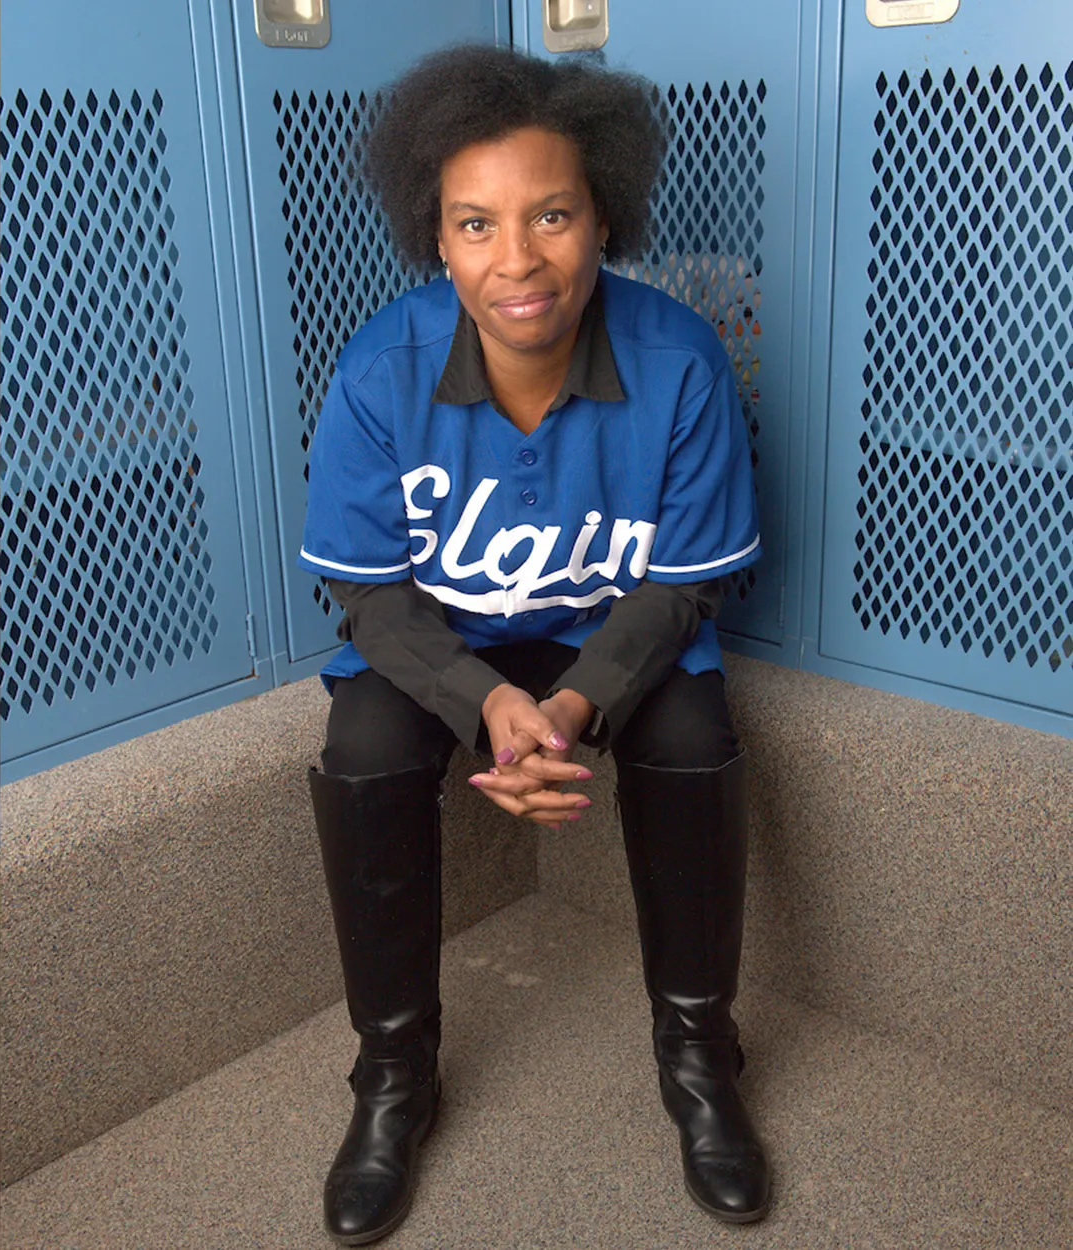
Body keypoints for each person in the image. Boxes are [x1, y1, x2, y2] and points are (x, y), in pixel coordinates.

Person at [298, 45, 769, 1244]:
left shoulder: (681, 362)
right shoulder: (375, 372)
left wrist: (571, 705)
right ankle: (394, 1074)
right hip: (439, 642)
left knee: (693, 728)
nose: (517, 258)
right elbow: (367, 593)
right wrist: (481, 700)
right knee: (359, 747)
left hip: (612, 637)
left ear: (602, 213)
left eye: (551, 213)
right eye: (475, 223)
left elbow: (683, 590)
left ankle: (701, 1053)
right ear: (434, 236)